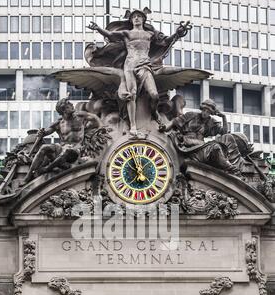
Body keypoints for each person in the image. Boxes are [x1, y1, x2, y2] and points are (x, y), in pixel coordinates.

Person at [88, 9, 191, 138]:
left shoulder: (149, 34)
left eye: (139, 16)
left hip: (144, 65)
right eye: (134, 17)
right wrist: (98, 28)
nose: (136, 18)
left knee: (154, 95)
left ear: (143, 19)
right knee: (132, 95)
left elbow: (166, 41)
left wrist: (177, 33)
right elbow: (110, 35)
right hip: (130, 65)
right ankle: (133, 126)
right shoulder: (127, 33)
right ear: (131, 20)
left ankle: (154, 112)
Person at [22, 98, 102, 184]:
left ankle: (47, 169)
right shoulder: (59, 123)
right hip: (62, 147)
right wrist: (42, 132)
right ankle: (28, 176)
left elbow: (95, 117)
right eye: (69, 105)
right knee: (44, 147)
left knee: (67, 150)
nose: (72, 105)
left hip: (76, 148)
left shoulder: (79, 116)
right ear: (64, 110)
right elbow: (47, 132)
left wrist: (102, 126)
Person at [160, 99, 241, 175]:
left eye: (208, 111)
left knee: (216, 148)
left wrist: (224, 117)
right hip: (187, 143)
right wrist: (165, 127)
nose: (205, 113)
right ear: (202, 109)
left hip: (200, 146)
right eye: (204, 110)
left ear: (211, 113)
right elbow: (174, 122)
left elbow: (224, 132)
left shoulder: (211, 122)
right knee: (214, 146)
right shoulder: (191, 115)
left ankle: (229, 167)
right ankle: (230, 167)